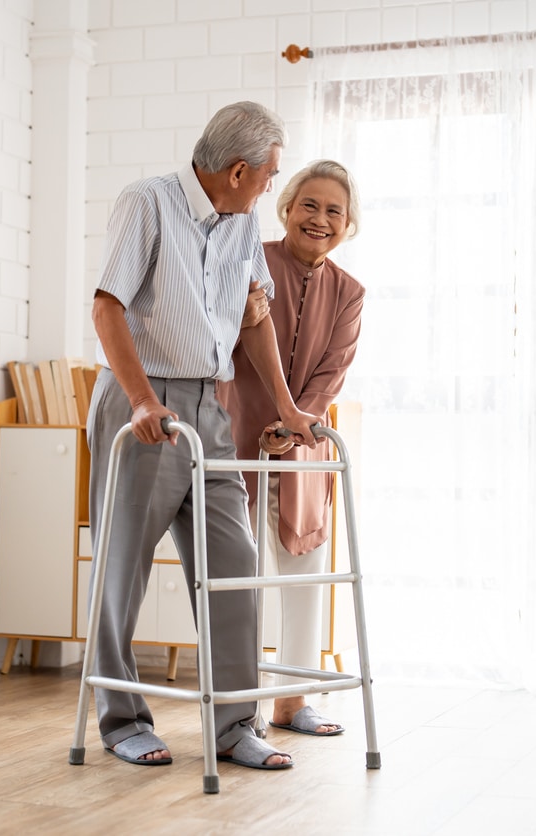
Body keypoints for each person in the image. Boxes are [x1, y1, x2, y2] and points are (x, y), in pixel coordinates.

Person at [86, 101, 320, 771]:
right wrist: (139, 400)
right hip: (144, 401)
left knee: (233, 564)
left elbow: (254, 316)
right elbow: (108, 308)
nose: (273, 186)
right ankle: (122, 718)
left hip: (208, 410)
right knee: (122, 564)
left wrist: (287, 405)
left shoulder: (242, 222)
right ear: (240, 170)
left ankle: (234, 725)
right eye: (271, 175)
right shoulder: (148, 203)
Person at [218, 160, 365, 738]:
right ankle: (240, 708)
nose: (320, 219)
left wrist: (297, 420)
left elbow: (333, 371)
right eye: (310, 205)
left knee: (304, 575)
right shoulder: (251, 258)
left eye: (334, 211)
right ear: (287, 209)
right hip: (235, 435)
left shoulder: (350, 292)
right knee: (241, 578)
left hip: (304, 448)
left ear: (348, 224)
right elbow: (227, 335)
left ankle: (292, 701)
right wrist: (273, 416)